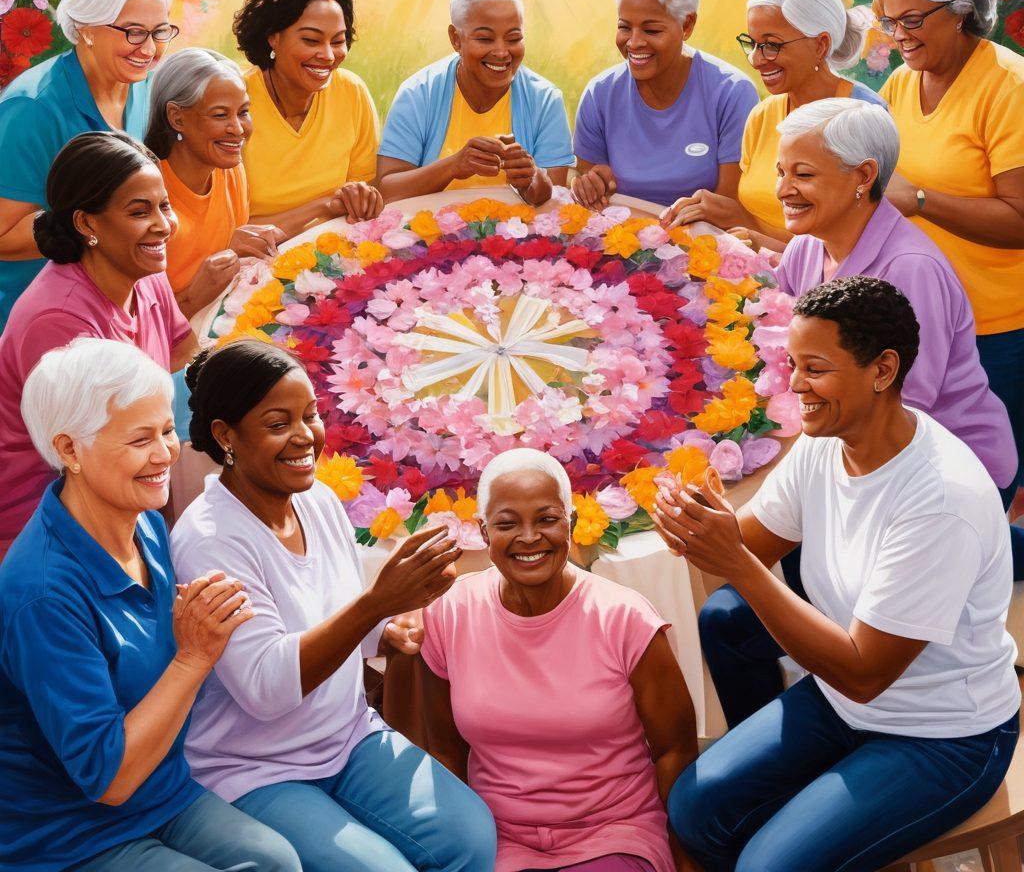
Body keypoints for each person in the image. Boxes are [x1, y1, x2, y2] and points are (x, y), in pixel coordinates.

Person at [654, 277, 1020, 872]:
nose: (796, 385)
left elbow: (863, 672)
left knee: (768, 866)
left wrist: (737, 564)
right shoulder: (825, 443)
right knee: (695, 813)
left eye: (815, 369)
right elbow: (747, 541)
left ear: (882, 369)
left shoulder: (940, 500)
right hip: (841, 705)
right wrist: (695, 525)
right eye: (792, 364)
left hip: (944, 738)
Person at [698, 97, 1019, 729]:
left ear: (863, 177)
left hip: (935, 470)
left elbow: (898, 412)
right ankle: (780, 728)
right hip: (848, 455)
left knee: (783, 586)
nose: (783, 188)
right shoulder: (807, 251)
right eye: (782, 171)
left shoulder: (911, 269)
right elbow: (777, 364)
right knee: (740, 606)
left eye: (804, 175)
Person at [170, 338, 497, 872]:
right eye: (278, 423)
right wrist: (376, 606)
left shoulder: (316, 499)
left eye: (311, 415)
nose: (305, 437)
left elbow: (337, 614)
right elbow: (267, 689)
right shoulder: (209, 539)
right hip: (254, 768)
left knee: (470, 838)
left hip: (348, 739)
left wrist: (384, 630)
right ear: (225, 435)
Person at [0, 337, 302, 871]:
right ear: (69, 450)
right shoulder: (42, 593)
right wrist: (195, 654)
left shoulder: (145, 523)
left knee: (277, 860)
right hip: (66, 834)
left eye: (166, 430)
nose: (165, 453)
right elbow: (108, 779)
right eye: (140, 439)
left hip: (164, 793)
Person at [420, 448, 697, 872]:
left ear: (570, 522)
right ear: (483, 531)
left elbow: (674, 749)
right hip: (498, 837)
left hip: (614, 831)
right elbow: (443, 749)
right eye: (507, 524)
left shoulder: (625, 618)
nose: (529, 537)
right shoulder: (450, 611)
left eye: (547, 519)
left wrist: (685, 857)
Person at [874, 0, 1024, 506]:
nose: (899, 35)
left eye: (912, 19)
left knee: (981, 497)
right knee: (925, 496)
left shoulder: (1009, 86)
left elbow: (1020, 218)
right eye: (889, 22)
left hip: (999, 330)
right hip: (916, 324)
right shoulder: (898, 85)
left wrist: (921, 200)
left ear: (961, 8)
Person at [0, 131, 196, 555]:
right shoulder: (59, 320)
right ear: (87, 222)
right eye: (140, 211)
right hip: (45, 526)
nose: (163, 224)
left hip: (127, 481)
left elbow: (184, 351)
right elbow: (88, 464)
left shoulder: (144, 272)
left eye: (164, 205)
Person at [0, 0, 174, 328]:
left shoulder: (137, 86)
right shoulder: (32, 109)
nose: (148, 49)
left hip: (107, 302)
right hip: (34, 315)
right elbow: (2, 235)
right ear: (87, 27)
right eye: (133, 31)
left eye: (160, 32)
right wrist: (101, 228)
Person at [664, 0, 885, 243]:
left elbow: (855, 247)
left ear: (820, 44)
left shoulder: (865, 115)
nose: (756, 60)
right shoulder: (762, 115)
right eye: (753, 44)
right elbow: (759, 220)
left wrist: (759, 240)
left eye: (771, 46)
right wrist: (725, 212)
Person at [571, 0, 758, 212]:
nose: (634, 43)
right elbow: (591, 195)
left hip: (706, 239)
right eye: (624, 27)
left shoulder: (732, 92)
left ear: (687, 25)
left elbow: (728, 207)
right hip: (621, 236)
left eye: (652, 30)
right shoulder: (600, 94)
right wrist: (591, 185)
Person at [377, 0, 574, 204]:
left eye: (513, 38)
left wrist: (529, 178)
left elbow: (554, 200)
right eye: (485, 38)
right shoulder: (418, 94)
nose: (501, 52)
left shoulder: (545, 100)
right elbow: (387, 190)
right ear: (455, 39)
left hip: (519, 236)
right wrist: (454, 166)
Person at [145, 47, 293, 319]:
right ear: (177, 117)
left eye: (244, 112)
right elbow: (128, 325)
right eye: (220, 115)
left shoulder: (230, 169)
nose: (238, 129)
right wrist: (192, 298)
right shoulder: (144, 196)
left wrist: (328, 206)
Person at [232, 0, 384, 228]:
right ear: (273, 37)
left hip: (331, 250)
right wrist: (322, 206)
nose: (327, 55)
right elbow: (228, 229)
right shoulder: (235, 101)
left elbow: (366, 194)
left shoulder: (352, 92)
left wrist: (362, 197)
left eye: (338, 41)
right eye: (312, 40)